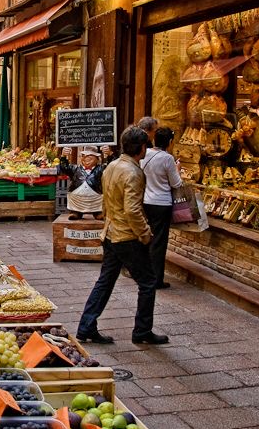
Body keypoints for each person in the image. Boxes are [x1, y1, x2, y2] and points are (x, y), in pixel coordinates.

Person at [76, 125, 168, 347]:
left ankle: (86, 326)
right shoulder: (133, 172)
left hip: (110, 232)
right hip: (127, 237)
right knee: (147, 282)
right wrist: (145, 234)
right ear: (141, 147)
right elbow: (132, 210)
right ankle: (142, 330)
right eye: (146, 144)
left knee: (105, 281)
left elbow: (107, 201)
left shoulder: (112, 167)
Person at [142, 126, 182, 291]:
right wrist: (178, 170)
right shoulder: (167, 159)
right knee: (159, 242)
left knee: (148, 238)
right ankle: (156, 279)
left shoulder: (145, 155)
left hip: (146, 201)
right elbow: (176, 183)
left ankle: (145, 274)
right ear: (170, 142)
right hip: (162, 204)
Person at [59, 144, 112, 219]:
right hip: (77, 201)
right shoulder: (75, 168)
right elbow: (64, 168)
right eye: (84, 155)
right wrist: (63, 156)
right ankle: (76, 212)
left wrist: (109, 155)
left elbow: (111, 166)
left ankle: (98, 212)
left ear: (97, 159)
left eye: (91, 155)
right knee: (75, 210)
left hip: (96, 200)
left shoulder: (101, 169)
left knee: (99, 207)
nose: (87, 157)